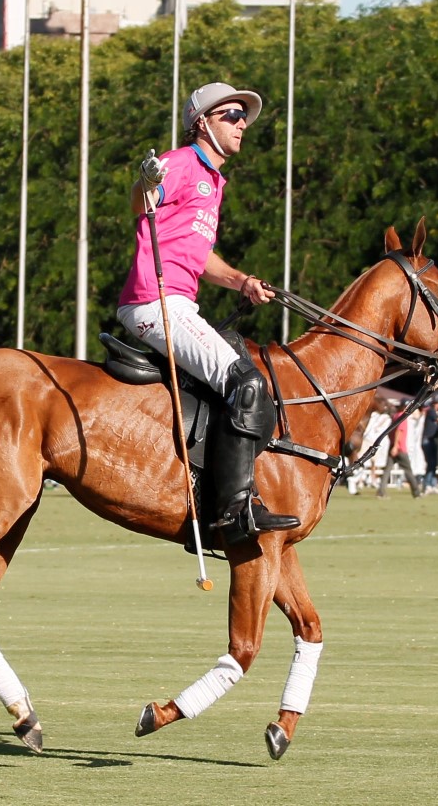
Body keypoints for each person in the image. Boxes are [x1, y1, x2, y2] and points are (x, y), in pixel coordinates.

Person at [116, 81, 298, 543]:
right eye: (231, 115)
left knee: (244, 377)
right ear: (202, 122)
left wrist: (241, 281)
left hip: (179, 299)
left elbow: (200, 256)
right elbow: (143, 204)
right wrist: (147, 181)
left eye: (243, 117)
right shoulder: (181, 163)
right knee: (247, 384)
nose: (241, 124)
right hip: (154, 300)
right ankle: (233, 509)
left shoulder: (215, 181)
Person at [377, 404, 421, 499]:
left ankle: (381, 492)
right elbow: (399, 431)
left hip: (393, 445)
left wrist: (392, 444)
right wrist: (396, 446)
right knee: (408, 471)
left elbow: (390, 431)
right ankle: (416, 493)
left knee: (387, 470)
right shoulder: (403, 416)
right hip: (400, 448)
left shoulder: (395, 416)